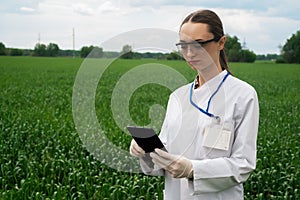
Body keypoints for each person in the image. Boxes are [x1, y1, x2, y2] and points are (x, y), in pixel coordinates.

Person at [130, 9, 259, 200]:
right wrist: (146, 153)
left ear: (221, 43)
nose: (189, 54)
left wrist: (193, 169)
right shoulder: (178, 97)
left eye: (199, 44)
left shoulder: (242, 95)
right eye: (183, 46)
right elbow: (163, 163)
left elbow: (243, 164)